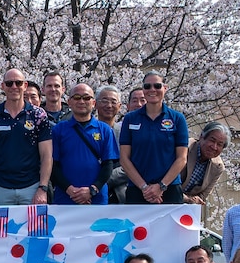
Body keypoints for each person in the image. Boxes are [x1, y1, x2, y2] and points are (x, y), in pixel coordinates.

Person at [0, 66, 53, 206]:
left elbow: (46, 155)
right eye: (9, 83)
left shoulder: (38, 115)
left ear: (25, 86)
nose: (14, 87)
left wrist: (43, 188)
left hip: (32, 187)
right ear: (2, 86)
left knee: (34, 228)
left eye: (18, 83)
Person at [118, 72, 190, 203]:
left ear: (165, 88)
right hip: (137, 190)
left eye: (157, 86)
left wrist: (161, 186)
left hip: (170, 189)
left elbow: (182, 158)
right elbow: (124, 158)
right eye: (147, 86)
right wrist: (144, 188)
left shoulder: (177, 118)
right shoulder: (130, 119)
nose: (152, 90)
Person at [48, 83, 118, 204]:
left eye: (86, 98)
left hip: (96, 198)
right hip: (66, 198)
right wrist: (70, 190)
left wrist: (92, 190)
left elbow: (108, 164)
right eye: (76, 97)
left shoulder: (105, 130)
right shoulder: (59, 130)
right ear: (69, 102)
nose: (81, 101)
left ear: (94, 103)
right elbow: (53, 165)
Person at [179, 124, 229, 202]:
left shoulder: (218, 166)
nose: (214, 147)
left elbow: (203, 195)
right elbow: (170, 181)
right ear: (201, 137)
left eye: (219, 144)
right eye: (212, 140)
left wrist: (195, 200)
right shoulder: (185, 148)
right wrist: (186, 199)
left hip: (187, 208)